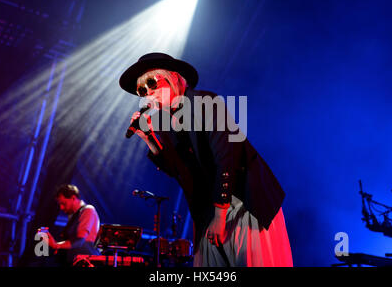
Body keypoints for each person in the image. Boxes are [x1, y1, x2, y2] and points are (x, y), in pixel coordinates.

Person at [119, 52, 293, 267]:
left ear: (173, 77)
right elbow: (178, 171)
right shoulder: (167, 126)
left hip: (243, 202)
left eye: (152, 83)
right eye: (142, 91)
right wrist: (148, 138)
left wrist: (220, 217)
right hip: (209, 211)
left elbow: (226, 157)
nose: (148, 94)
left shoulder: (206, 102)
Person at [39, 184, 100, 266]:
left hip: (85, 263)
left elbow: (79, 241)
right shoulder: (74, 215)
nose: (61, 207)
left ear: (73, 198)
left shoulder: (88, 210)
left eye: (63, 203)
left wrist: (56, 245)